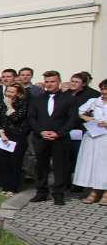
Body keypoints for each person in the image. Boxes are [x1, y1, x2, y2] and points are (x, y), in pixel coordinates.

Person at [28, 71, 77, 205]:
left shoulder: (69, 98)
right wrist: (41, 131)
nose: (49, 84)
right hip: (41, 138)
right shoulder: (37, 99)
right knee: (40, 166)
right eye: (47, 82)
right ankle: (41, 192)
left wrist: (59, 133)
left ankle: (58, 194)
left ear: (59, 82)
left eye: (52, 81)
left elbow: (72, 119)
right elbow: (31, 117)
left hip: (60, 139)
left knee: (60, 167)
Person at [0, 83, 29, 196]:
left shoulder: (23, 104)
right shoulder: (1, 104)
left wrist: (9, 106)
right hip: (3, 136)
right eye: (8, 91)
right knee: (3, 163)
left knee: (15, 163)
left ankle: (13, 188)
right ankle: (5, 186)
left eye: (12, 92)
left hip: (17, 136)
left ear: (18, 93)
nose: (9, 94)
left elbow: (16, 118)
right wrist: (2, 134)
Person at [75, 79, 107, 205]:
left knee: (104, 165)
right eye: (103, 89)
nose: (104, 92)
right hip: (94, 135)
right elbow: (79, 112)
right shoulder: (94, 101)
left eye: (106, 89)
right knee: (94, 164)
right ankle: (94, 191)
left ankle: (105, 193)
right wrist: (89, 118)